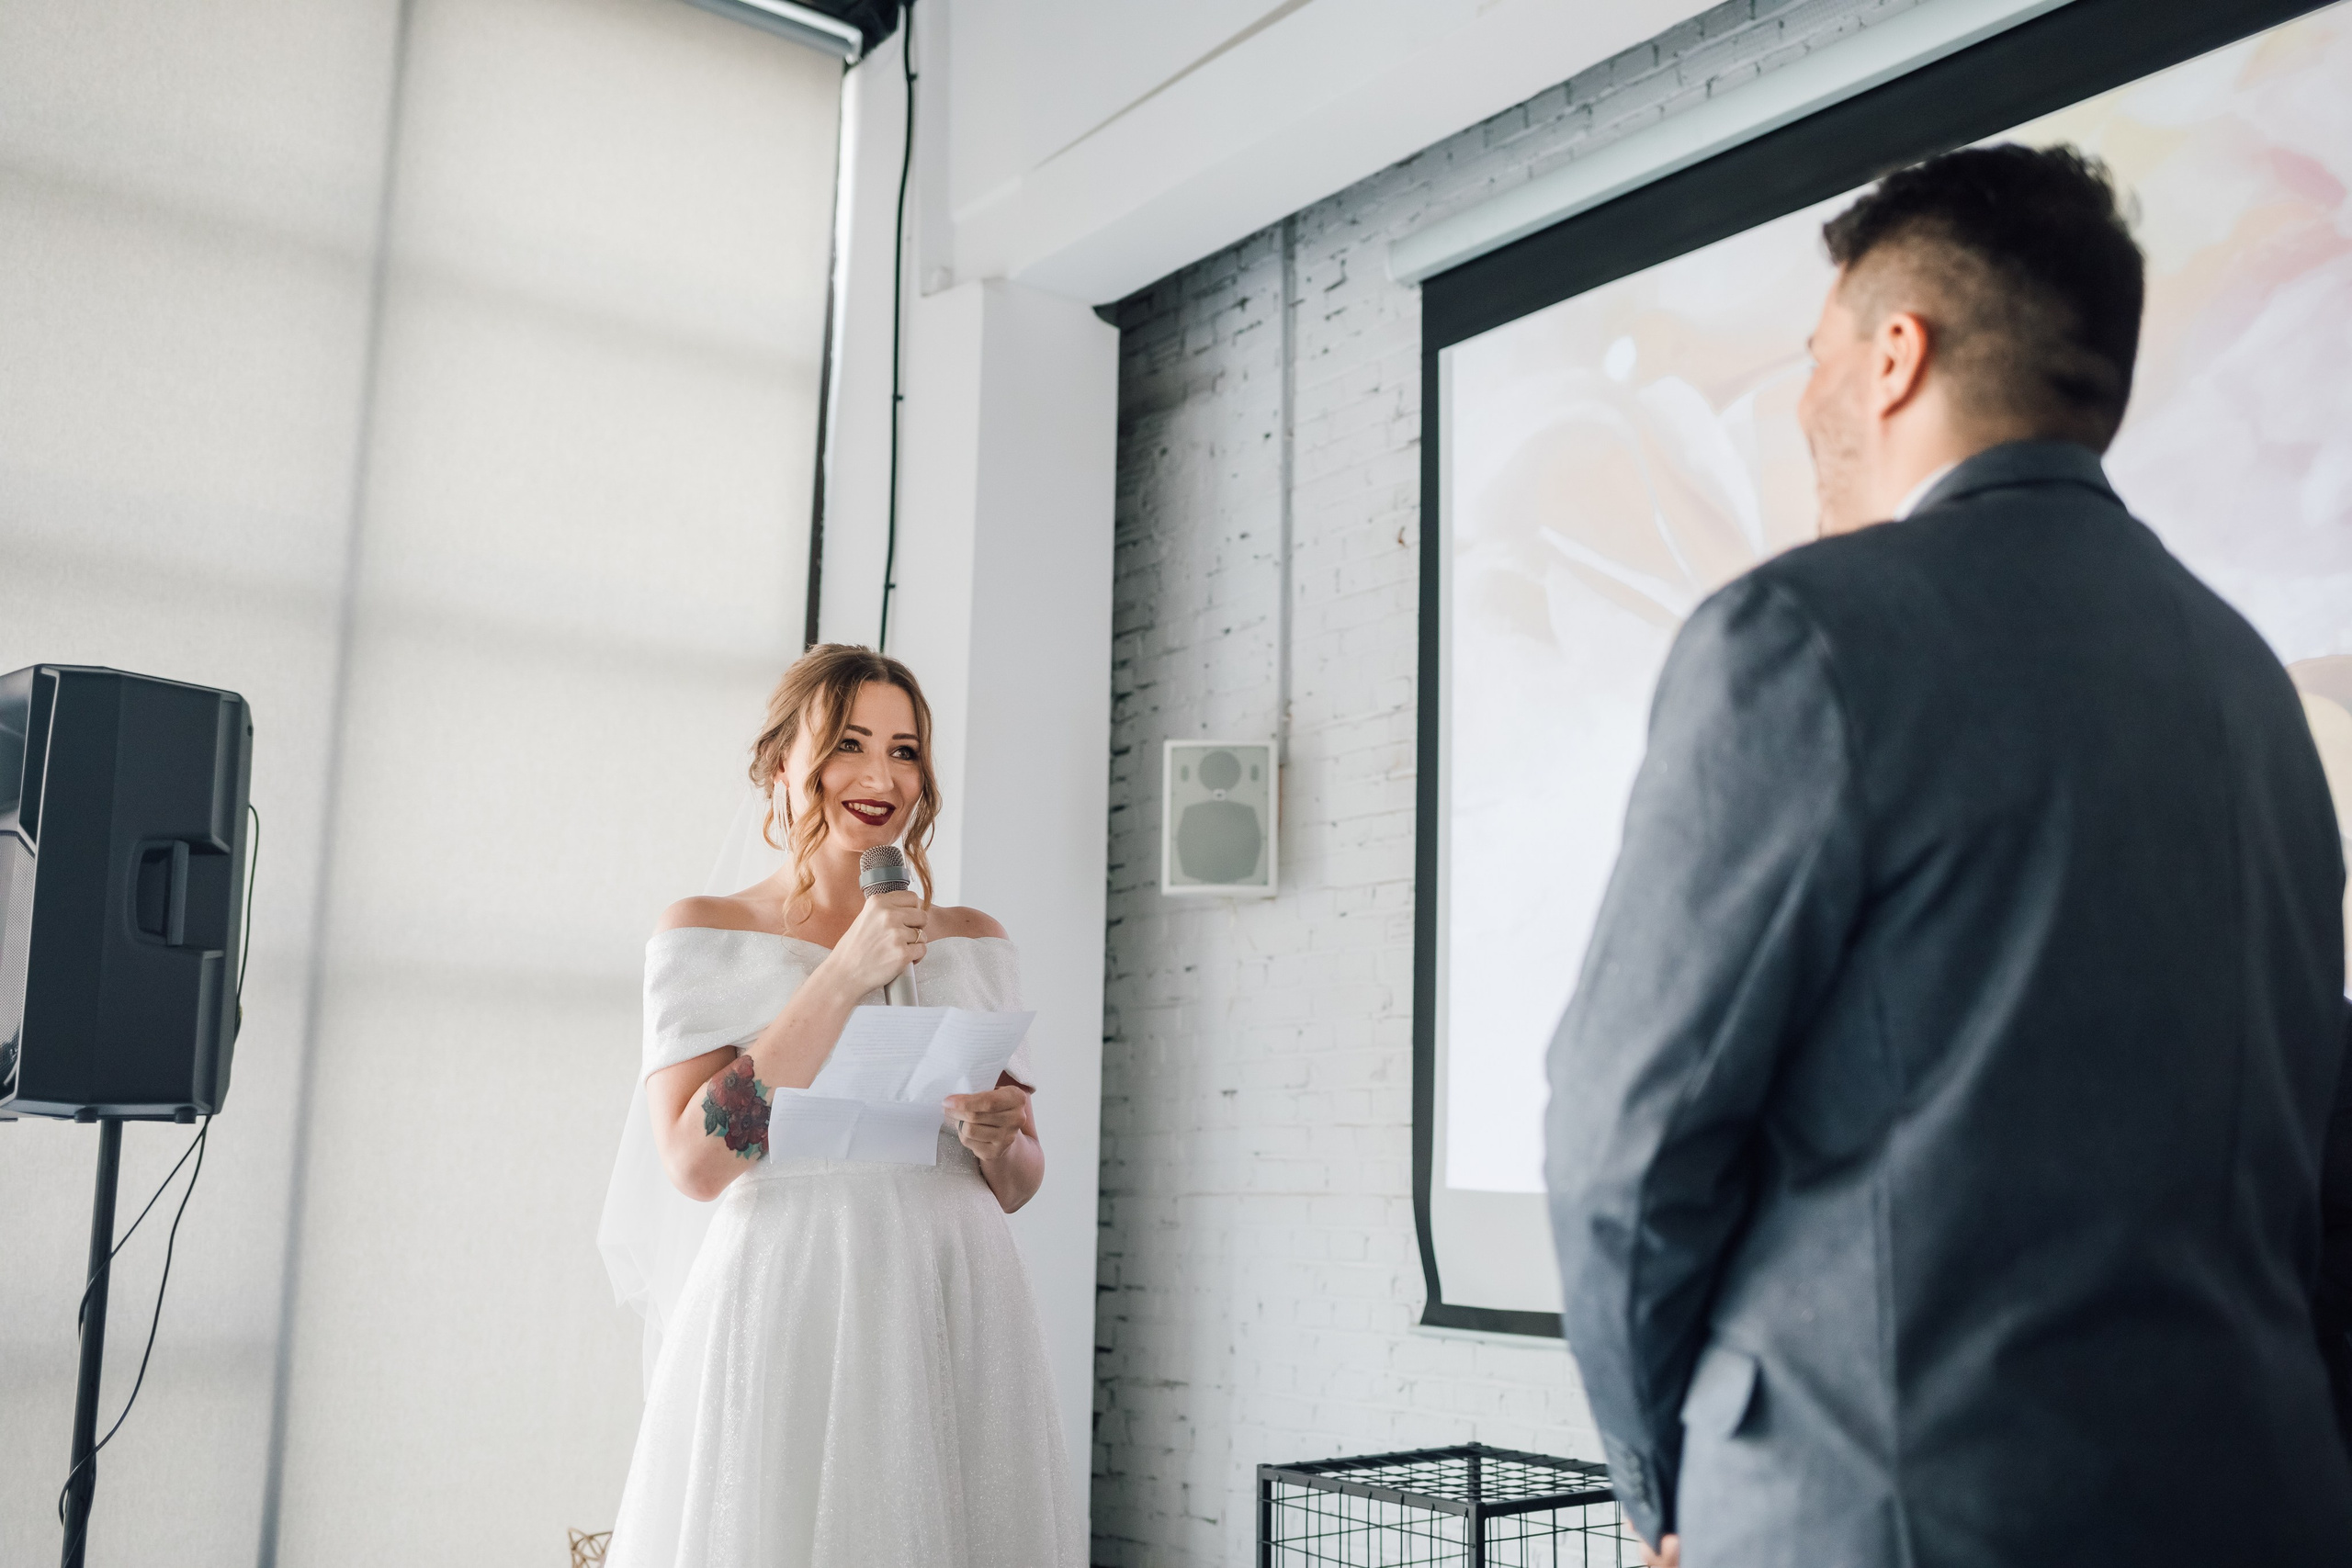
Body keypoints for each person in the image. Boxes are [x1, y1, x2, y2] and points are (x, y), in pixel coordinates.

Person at [1544, 144, 2352, 1567]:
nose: (1800, 399)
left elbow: (1630, 1134)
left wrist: (1660, 1480)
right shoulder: (2255, 686)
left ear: (1894, 355)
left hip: (1893, 1517)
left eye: (1816, 352)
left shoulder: (1797, 637)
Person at [603, 644, 1084, 1567]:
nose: (881, 775)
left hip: (956, 1284)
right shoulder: (705, 931)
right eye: (849, 744)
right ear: (783, 763)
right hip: (795, 1278)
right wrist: (845, 972)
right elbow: (696, 1165)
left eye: (905, 751)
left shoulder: (975, 941)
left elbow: (1020, 1180)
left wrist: (995, 1137)